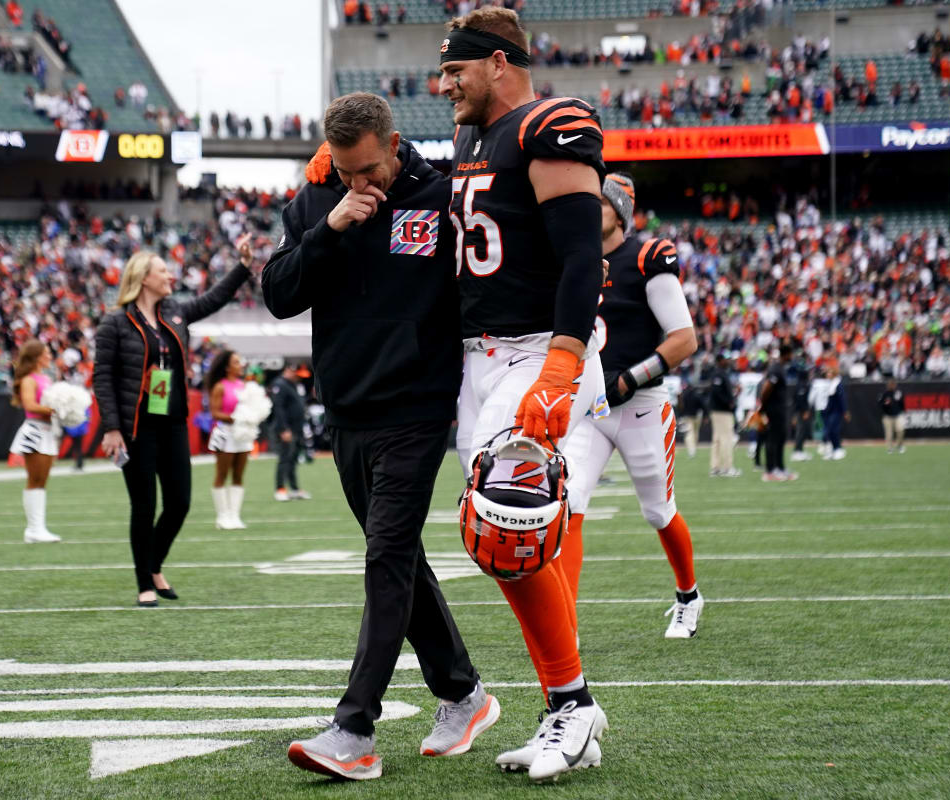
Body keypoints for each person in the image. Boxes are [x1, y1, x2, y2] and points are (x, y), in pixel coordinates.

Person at [265, 92, 496, 781]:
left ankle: (354, 728)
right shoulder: (316, 200)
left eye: (367, 169)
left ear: (394, 146)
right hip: (347, 409)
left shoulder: (443, 194)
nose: (357, 182)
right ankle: (462, 691)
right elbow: (279, 294)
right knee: (396, 558)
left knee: (385, 556)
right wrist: (329, 226)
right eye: (344, 170)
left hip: (419, 407)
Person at [439, 7, 607, 781]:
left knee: (507, 521)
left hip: (538, 348)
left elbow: (580, 258)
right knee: (501, 536)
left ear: (499, 62)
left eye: (457, 71)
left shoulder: (552, 123)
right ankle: (564, 711)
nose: (446, 86)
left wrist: (563, 366)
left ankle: (571, 706)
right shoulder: (473, 137)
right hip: (480, 359)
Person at [565, 173, 703, 641]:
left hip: (640, 403)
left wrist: (630, 377)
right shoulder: (574, 256)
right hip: (590, 405)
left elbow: (685, 339)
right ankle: (566, 618)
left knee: (658, 511)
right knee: (570, 502)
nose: (589, 208)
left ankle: (688, 595)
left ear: (619, 211)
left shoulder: (646, 258)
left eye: (599, 202)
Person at [93, 243, 254, 607]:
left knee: (179, 502)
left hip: (173, 422)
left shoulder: (176, 313)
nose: (170, 276)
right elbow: (103, 377)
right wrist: (112, 427)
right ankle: (145, 582)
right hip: (136, 427)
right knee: (144, 505)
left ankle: (153, 564)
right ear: (143, 278)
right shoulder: (115, 323)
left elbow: (213, 300)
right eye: (163, 271)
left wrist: (242, 267)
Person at [9, 340, 61, 542]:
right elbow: (30, 405)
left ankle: (39, 528)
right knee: (35, 479)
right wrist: (56, 409)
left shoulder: (46, 378)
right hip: (35, 431)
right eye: (46, 353)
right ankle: (33, 529)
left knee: (42, 480)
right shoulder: (29, 380)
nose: (49, 356)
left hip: (48, 431)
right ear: (37, 356)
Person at [206, 349, 253, 529]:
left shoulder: (244, 386)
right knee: (222, 474)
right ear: (226, 367)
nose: (240, 365)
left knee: (239, 475)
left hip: (243, 434)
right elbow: (215, 412)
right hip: (225, 434)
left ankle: (235, 515)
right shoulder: (220, 386)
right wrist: (236, 418)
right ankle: (222, 516)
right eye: (235, 362)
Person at [268, 363, 309, 501]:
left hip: (296, 429)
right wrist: (284, 429)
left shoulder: (292, 385)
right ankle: (280, 488)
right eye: (297, 375)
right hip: (286, 430)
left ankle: (294, 488)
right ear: (289, 371)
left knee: (293, 460)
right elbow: (278, 409)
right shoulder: (280, 384)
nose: (299, 378)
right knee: (285, 459)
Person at [757, 342, 797, 481]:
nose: (792, 356)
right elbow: (767, 387)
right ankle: (770, 471)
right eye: (791, 353)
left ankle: (780, 468)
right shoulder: (775, 368)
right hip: (773, 410)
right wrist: (762, 406)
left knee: (780, 438)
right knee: (772, 439)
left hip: (780, 409)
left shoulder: (780, 368)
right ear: (786, 354)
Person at [707, 352, 739, 477]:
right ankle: (727, 467)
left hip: (720, 410)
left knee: (718, 439)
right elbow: (717, 392)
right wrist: (729, 403)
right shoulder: (718, 374)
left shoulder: (721, 373)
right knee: (726, 438)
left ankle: (716, 467)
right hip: (722, 411)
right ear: (720, 360)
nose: (728, 361)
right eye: (726, 359)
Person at [821, 363, 848, 460]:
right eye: (827, 373)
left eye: (830, 373)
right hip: (829, 412)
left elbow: (842, 399)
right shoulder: (829, 384)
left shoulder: (838, 384)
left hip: (836, 412)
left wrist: (845, 411)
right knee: (829, 431)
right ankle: (833, 449)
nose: (828, 375)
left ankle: (838, 449)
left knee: (833, 430)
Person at [789, 355, 813, 461]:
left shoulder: (802, 384)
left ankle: (800, 450)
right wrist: (805, 410)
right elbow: (800, 399)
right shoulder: (802, 384)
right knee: (800, 431)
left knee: (803, 431)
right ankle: (797, 451)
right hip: (800, 411)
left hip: (800, 411)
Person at [677, 374, 705, 459]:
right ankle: (692, 450)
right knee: (694, 433)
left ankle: (691, 450)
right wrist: (706, 415)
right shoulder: (697, 394)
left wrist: (680, 415)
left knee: (690, 434)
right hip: (696, 416)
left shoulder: (684, 395)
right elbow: (702, 405)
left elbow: (681, 406)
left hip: (688, 416)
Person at [879, 378, 907, 454]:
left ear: (895, 385)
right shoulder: (885, 394)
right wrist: (885, 404)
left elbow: (902, 403)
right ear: (887, 385)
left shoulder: (898, 393)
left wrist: (904, 412)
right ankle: (890, 448)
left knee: (900, 430)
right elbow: (880, 404)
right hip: (887, 416)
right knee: (889, 434)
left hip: (898, 415)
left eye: (893, 384)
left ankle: (899, 445)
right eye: (890, 384)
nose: (891, 386)